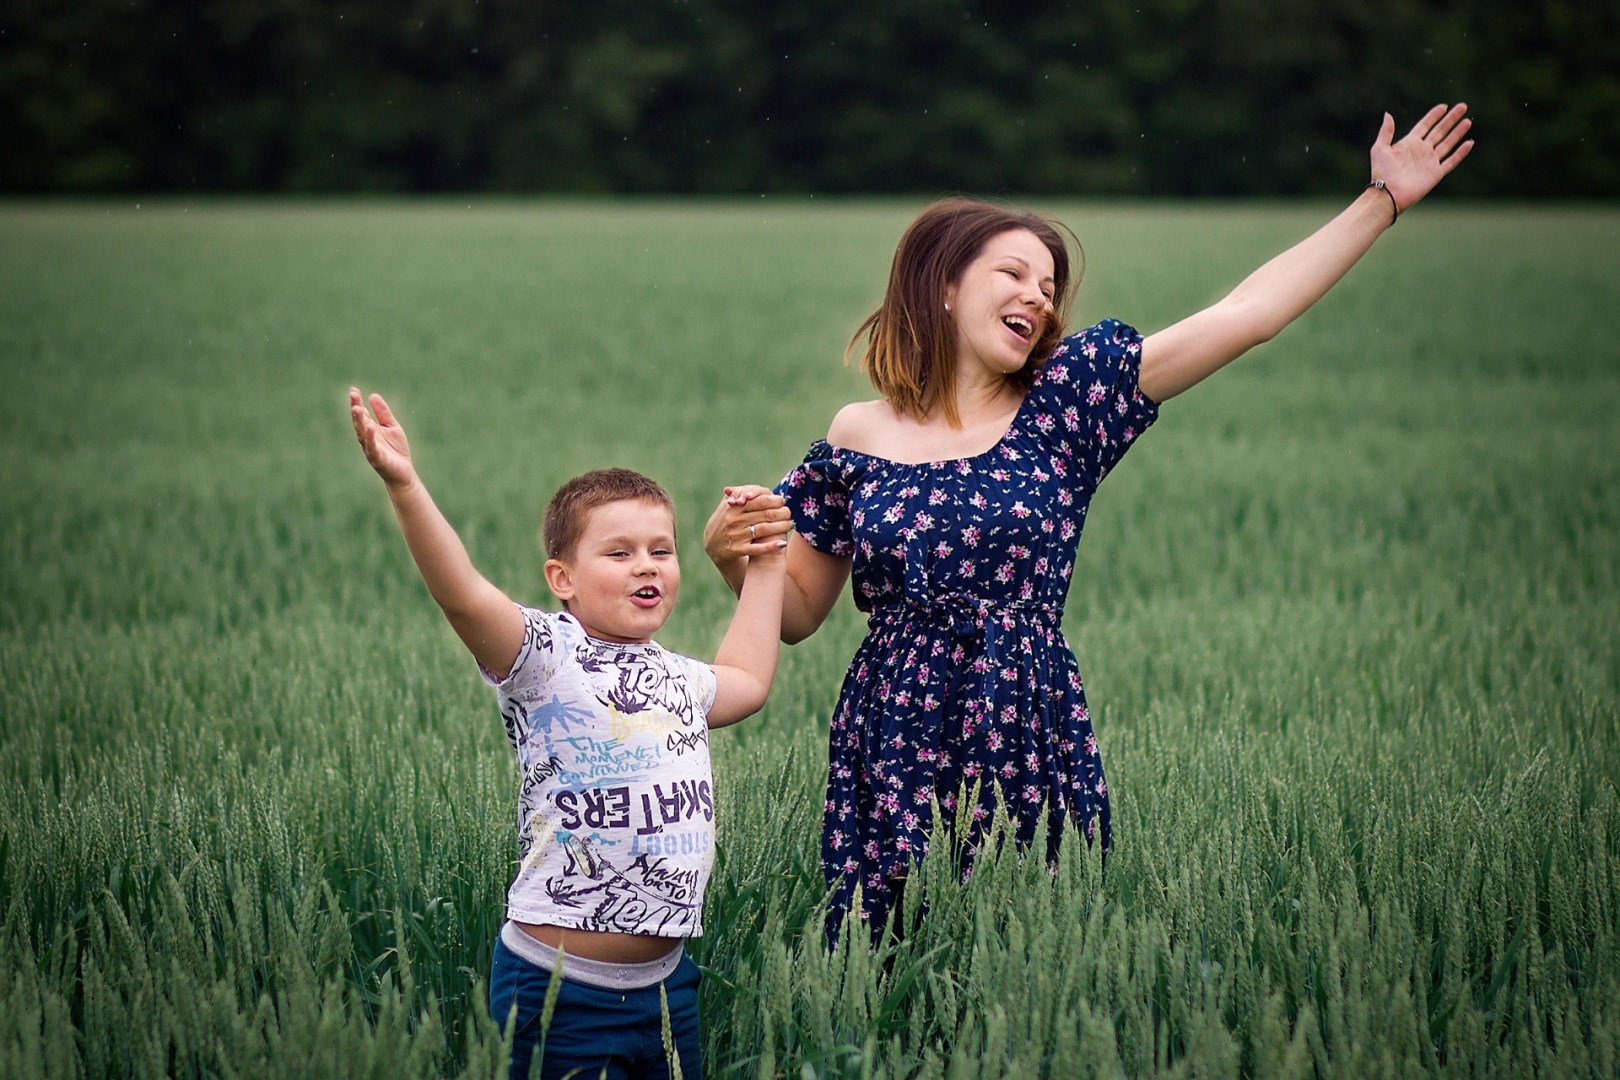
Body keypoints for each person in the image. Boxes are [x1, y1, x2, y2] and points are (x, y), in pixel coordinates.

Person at [703, 105, 1474, 931]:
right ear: (946, 284)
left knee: (1020, 948)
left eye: (1048, 286)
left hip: (1022, 717)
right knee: (881, 955)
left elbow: (1247, 314)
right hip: (890, 727)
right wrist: (731, 556)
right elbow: (795, 615)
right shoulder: (856, 434)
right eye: (1013, 274)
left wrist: (1380, 200)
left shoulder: (1067, 406)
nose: (1037, 296)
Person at [349, 388, 790, 1079]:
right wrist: (405, 486)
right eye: (619, 552)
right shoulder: (544, 657)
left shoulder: (675, 677)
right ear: (562, 578)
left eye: (661, 550)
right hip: (558, 990)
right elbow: (462, 593)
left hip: (669, 988)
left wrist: (766, 559)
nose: (647, 564)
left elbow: (748, 679)